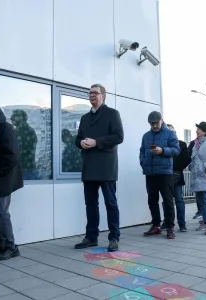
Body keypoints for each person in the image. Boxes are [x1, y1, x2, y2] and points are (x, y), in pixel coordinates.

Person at [74, 84, 124, 252]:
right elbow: (77, 139)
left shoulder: (112, 114)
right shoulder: (84, 118)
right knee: (90, 204)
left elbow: (119, 136)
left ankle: (114, 237)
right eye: (90, 93)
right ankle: (91, 237)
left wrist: (97, 142)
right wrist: (80, 143)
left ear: (103, 96)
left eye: (95, 93)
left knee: (110, 203)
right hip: (88, 166)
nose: (91, 95)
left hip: (106, 167)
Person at [0, 102, 24, 261]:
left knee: (0, 212)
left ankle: (11, 246)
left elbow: (12, 156)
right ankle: (0, 242)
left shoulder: (5, 128)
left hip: (4, 178)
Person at [140, 112, 180, 239]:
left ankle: (170, 227)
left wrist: (162, 151)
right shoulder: (146, 136)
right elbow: (142, 151)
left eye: (156, 123)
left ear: (162, 121)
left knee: (168, 200)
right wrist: (143, 162)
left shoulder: (170, 133)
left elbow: (176, 150)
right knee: (152, 200)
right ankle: (156, 225)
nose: (155, 126)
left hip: (165, 173)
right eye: (152, 124)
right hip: (150, 173)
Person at [161, 124, 190, 232]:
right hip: (164, 175)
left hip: (177, 175)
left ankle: (182, 224)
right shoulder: (162, 144)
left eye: (172, 131)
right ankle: (167, 222)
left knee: (179, 200)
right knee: (165, 200)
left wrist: (177, 169)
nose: (170, 133)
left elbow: (186, 159)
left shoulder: (182, 144)